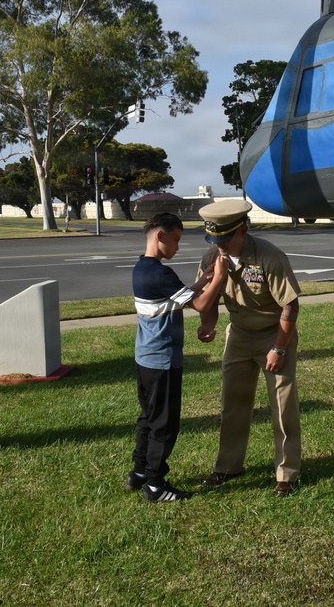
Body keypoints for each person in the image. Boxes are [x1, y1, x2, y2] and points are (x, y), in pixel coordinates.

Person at [195, 199, 303, 497]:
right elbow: (209, 298)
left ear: (243, 229)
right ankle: (228, 466)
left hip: (273, 334)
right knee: (234, 403)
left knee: (282, 406)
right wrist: (209, 324)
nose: (220, 245)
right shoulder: (211, 257)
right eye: (215, 239)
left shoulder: (269, 256)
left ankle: (287, 472)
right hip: (239, 335)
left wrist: (279, 349)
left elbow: (290, 305)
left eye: (226, 238)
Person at [127, 213, 228, 502]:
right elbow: (199, 305)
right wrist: (218, 277)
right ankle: (156, 485)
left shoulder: (143, 269)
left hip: (144, 357)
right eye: (176, 240)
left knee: (147, 417)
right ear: (160, 236)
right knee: (164, 423)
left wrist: (203, 279)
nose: (177, 247)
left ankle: (140, 472)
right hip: (163, 361)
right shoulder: (161, 274)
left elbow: (177, 297)